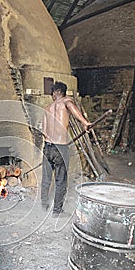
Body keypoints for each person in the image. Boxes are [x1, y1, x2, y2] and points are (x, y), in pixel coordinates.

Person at [41, 81, 91, 216]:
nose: (52, 95)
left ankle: (43, 205)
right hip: (60, 147)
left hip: (47, 147)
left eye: (53, 92)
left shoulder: (47, 108)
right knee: (60, 179)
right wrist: (85, 122)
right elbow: (73, 108)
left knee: (46, 178)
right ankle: (57, 211)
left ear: (57, 92)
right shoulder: (65, 102)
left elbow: (44, 132)